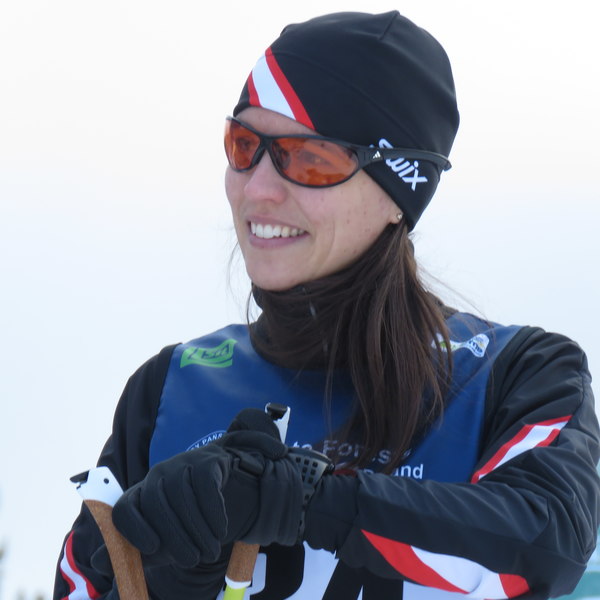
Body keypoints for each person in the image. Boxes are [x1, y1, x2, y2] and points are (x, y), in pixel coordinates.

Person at [53, 10, 600, 600]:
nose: (257, 188)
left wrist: (302, 498)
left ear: (399, 190)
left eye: (310, 158)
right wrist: (170, 581)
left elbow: (544, 544)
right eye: (244, 146)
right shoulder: (170, 388)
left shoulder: (514, 372)